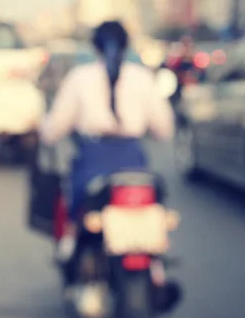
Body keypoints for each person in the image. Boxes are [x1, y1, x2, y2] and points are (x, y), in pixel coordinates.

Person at [40, 20, 175, 260]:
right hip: (133, 160)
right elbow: (164, 130)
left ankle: (69, 246)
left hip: (93, 159)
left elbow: (55, 128)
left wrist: (43, 132)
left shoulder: (80, 78)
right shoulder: (142, 77)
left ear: (95, 48)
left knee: (76, 210)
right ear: (126, 45)